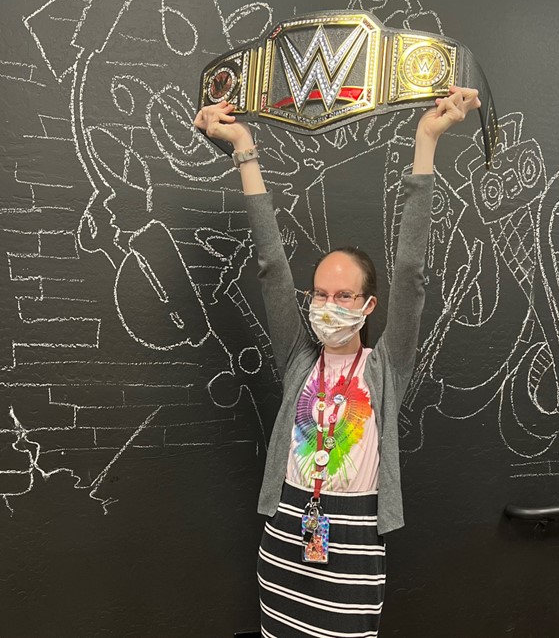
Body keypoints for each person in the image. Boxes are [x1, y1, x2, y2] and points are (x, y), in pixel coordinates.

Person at [194, 85, 480, 638]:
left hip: (352, 556)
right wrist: (243, 148)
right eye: (320, 293)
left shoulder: (384, 368)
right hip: (285, 544)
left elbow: (412, 273)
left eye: (344, 295)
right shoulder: (299, 360)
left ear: (368, 306)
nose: (328, 304)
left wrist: (426, 141)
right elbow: (271, 265)